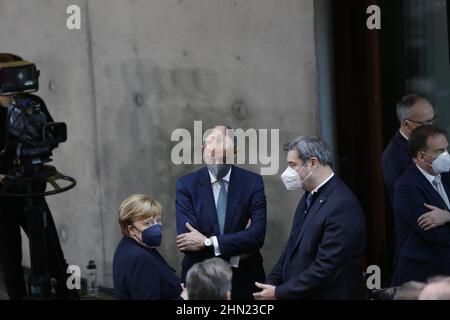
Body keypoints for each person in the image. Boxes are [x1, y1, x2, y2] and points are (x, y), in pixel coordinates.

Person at [0, 53, 77, 300]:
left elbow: (50, 136)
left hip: (31, 190)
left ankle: (68, 295)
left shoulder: (32, 104)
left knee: (53, 254)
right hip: (2, 196)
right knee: (10, 260)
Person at [254, 135, 366, 300]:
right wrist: (272, 282)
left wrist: (279, 293)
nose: (288, 172)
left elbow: (326, 267)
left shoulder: (342, 205)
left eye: (293, 165)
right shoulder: (309, 195)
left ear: (313, 163)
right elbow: (292, 246)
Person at [175, 125, 266, 300]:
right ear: (203, 150)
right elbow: (188, 243)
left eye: (224, 157)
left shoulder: (252, 183)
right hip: (201, 280)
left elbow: (256, 237)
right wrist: (239, 247)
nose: (217, 162)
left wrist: (208, 242)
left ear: (235, 153)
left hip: (244, 280)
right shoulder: (186, 185)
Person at [391, 125, 450, 286]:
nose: (446, 155)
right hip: (422, 276)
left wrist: (447, 216)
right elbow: (437, 234)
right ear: (422, 156)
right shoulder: (406, 186)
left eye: (446, 148)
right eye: (440, 151)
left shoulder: (446, 176)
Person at [113, 194, 182, 300]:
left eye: (158, 220)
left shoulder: (132, 246)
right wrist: (184, 298)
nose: (156, 227)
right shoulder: (140, 258)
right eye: (148, 223)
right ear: (131, 229)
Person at [382, 94, 435, 203]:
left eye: (433, 120)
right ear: (407, 124)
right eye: (426, 123)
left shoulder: (429, 141)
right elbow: (409, 200)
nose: (431, 127)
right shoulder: (393, 157)